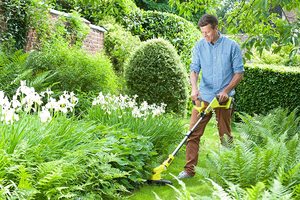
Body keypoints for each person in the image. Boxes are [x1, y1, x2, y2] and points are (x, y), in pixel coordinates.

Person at [177, 14, 244, 179]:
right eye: (202, 33)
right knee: (193, 133)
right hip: (204, 97)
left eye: (207, 32)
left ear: (216, 28)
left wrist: (226, 90)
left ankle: (229, 171)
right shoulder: (199, 46)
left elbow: (239, 73)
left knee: (225, 136)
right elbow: (193, 69)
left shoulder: (232, 46)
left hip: (223, 99)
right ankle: (189, 170)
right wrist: (194, 88)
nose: (204, 36)